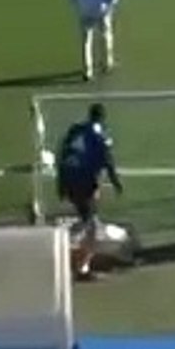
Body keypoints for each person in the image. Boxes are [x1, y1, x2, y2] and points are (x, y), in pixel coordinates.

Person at [57, 103, 123, 280]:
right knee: (93, 228)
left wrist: (60, 184)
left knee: (87, 212)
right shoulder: (100, 137)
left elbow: (62, 155)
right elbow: (108, 162)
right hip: (83, 184)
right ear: (102, 118)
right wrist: (116, 183)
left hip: (69, 181)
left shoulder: (75, 131)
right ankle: (81, 267)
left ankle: (80, 231)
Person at [67, 0, 121, 82]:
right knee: (105, 33)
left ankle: (87, 70)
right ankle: (106, 62)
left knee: (86, 39)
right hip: (101, 7)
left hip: (84, 7)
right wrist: (112, 3)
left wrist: (76, 3)